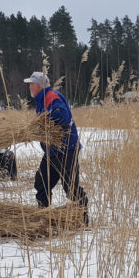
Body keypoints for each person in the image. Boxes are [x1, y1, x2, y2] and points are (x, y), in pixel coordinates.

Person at [24, 72, 89, 222]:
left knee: (71, 187)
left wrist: (43, 122)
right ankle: (43, 216)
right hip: (52, 150)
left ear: (39, 86)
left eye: (32, 84)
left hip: (66, 149)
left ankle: (83, 218)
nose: (29, 87)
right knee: (41, 181)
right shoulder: (41, 99)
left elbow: (64, 117)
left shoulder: (52, 97)